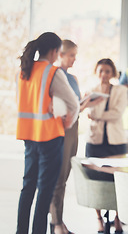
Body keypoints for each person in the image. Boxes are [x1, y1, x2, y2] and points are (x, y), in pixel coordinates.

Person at [16, 32, 79, 234]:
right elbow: (74, 104)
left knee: (27, 188)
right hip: (50, 138)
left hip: (29, 136)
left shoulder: (24, 70)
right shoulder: (52, 72)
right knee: (44, 192)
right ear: (54, 51)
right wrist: (67, 123)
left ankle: (21, 231)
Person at [49, 40, 94, 234]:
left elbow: (75, 106)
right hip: (60, 129)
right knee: (57, 177)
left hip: (73, 129)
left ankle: (58, 221)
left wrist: (84, 103)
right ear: (61, 54)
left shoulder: (73, 78)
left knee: (65, 176)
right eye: (71, 55)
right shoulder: (53, 75)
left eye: (76, 55)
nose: (74, 59)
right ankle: (57, 222)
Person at [85, 58, 128, 233]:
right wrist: (97, 113)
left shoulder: (121, 90)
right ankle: (99, 218)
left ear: (113, 73)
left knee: (117, 181)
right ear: (97, 71)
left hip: (116, 142)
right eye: (101, 71)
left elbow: (117, 114)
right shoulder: (91, 90)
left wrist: (98, 113)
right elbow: (89, 113)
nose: (104, 75)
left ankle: (118, 218)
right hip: (95, 141)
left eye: (107, 71)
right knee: (97, 181)